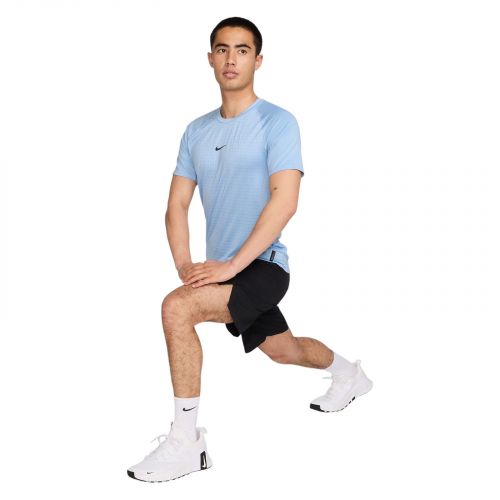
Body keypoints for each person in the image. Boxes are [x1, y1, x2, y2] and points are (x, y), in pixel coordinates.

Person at [127, 16, 373, 483]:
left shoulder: (277, 122)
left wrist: (232, 266)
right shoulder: (196, 131)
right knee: (284, 350)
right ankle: (350, 374)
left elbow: (286, 201)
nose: (231, 58)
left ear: (257, 60)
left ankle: (187, 443)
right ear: (210, 59)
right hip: (220, 271)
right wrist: (185, 264)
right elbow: (176, 204)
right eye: (222, 49)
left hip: (263, 267)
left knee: (177, 309)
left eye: (242, 50)